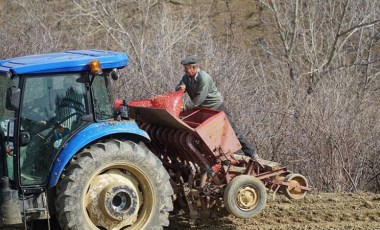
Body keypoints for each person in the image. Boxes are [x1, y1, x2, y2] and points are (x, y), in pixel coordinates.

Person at [175, 55, 260, 160]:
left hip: (215, 107)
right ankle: (216, 156)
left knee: (232, 130)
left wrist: (185, 107)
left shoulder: (204, 78)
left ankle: (252, 153)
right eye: (184, 68)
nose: (185, 70)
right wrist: (180, 88)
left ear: (194, 68)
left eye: (187, 68)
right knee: (205, 133)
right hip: (201, 108)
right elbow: (178, 88)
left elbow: (200, 98)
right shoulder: (186, 78)